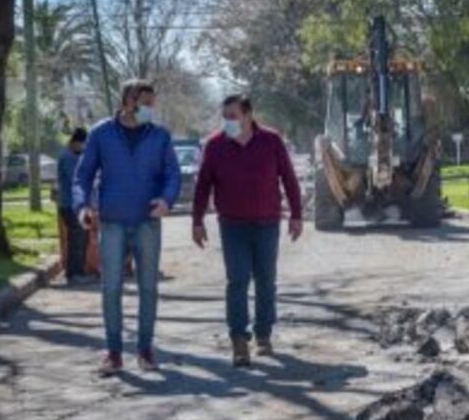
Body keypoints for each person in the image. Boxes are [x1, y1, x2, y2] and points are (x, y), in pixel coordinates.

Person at [74, 80, 181, 375]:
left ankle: (145, 350)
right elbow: (83, 175)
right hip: (112, 222)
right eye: (145, 103)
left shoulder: (159, 136)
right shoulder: (101, 133)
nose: (149, 109)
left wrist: (167, 200)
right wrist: (82, 206)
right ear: (128, 102)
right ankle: (113, 352)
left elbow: (172, 174)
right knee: (111, 288)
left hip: (148, 221)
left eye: (152, 103)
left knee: (148, 288)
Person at [192, 95, 303, 367]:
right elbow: (203, 184)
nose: (228, 122)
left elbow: (289, 179)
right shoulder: (215, 145)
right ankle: (239, 340)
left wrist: (296, 215)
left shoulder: (271, 141)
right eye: (225, 117)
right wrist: (197, 221)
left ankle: (263, 334)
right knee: (237, 280)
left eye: (233, 116)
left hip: (267, 223)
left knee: (266, 280)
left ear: (248, 115)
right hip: (232, 225)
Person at [57, 128, 91, 285]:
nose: (84, 147)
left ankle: (77, 272)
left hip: (75, 205)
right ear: (76, 142)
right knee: (78, 238)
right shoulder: (68, 157)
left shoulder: (74, 155)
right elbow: (76, 179)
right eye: (83, 144)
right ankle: (75, 273)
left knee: (80, 237)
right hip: (69, 204)